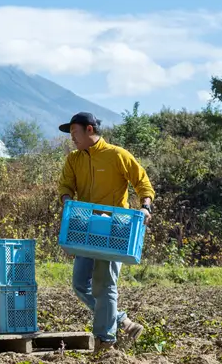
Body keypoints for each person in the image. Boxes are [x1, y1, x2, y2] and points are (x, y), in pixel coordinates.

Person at [57, 112, 155, 353]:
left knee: (105, 284)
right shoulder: (73, 159)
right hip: (86, 227)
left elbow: (143, 182)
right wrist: (68, 201)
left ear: (90, 130)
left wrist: (145, 207)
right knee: (80, 284)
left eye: (74, 133)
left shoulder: (117, 155)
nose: (72, 138)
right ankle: (123, 321)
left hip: (114, 228)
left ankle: (105, 340)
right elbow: (66, 186)